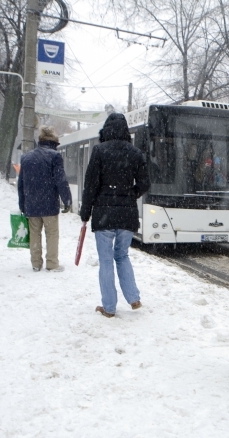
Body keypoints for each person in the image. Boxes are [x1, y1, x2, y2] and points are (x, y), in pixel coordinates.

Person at [79, 113, 150, 318]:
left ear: (106, 130)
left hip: (104, 214)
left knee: (106, 260)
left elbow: (90, 184)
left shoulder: (99, 151)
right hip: (127, 214)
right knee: (122, 255)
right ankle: (134, 297)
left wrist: (86, 213)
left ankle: (109, 307)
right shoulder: (135, 153)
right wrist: (130, 194)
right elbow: (145, 184)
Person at [17, 126, 72, 272]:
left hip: (31, 204)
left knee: (34, 233)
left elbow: (21, 184)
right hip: (49, 203)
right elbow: (61, 180)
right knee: (52, 233)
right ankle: (52, 263)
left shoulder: (26, 158)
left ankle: (36, 263)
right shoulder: (54, 156)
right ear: (54, 141)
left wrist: (22, 204)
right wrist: (66, 200)